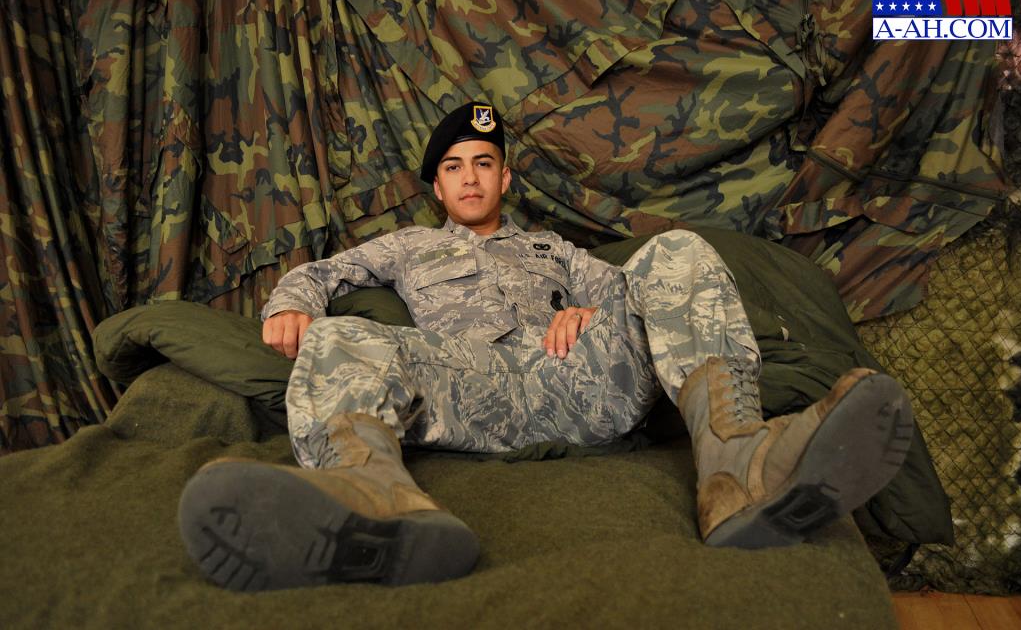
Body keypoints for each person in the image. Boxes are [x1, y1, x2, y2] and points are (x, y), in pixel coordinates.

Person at [177, 102, 913, 592]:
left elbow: (630, 291)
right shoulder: (407, 246)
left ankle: (738, 468)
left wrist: (588, 313)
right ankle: (372, 499)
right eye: (454, 166)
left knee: (677, 252)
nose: (470, 177)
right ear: (438, 187)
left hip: (577, 382)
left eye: (483, 162)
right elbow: (322, 273)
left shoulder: (551, 248)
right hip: (467, 383)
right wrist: (292, 304)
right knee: (344, 334)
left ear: (504, 175)